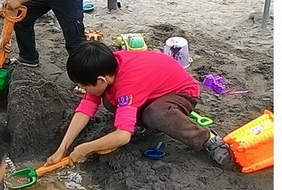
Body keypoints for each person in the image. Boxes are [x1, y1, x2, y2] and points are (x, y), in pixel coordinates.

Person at [50, 41, 233, 168]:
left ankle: (207, 139)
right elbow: (85, 110)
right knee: (111, 100)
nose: (81, 89)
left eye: (83, 85)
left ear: (100, 80)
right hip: (151, 92)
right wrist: (62, 149)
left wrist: (85, 148)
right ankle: (142, 123)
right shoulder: (105, 67)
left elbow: (123, 137)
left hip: (181, 92)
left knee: (155, 114)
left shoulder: (128, 84)